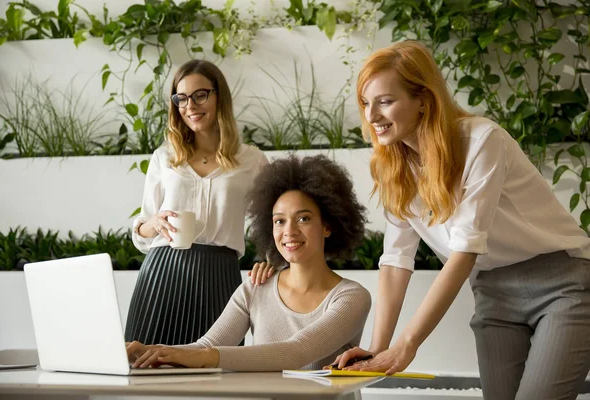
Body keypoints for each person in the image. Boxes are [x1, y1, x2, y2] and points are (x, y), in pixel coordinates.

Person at [332, 40, 590, 400]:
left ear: (423, 100)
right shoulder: (394, 167)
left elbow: (465, 250)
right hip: (492, 292)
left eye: (385, 101)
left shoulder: (483, 141)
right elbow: (395, 260)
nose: (371, 115)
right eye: (365, 103)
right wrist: (378, 346)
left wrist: (408, 344)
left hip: (562, 284)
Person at [126, 155, 371, 371]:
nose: (289, 231)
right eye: (279, 221)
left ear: (328, 226)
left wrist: (202, 355)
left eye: (303, 218)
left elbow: (297, 352)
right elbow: (206, 346)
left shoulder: (351, 297)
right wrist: (149, 351)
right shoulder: (256, 287)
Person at [126, 59, 270, 346]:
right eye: (181, 98)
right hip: (162, 274)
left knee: (219, 378)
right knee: (146, 375)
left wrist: (271, 261)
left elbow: (271, 221)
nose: (190, 106)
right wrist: (153, 223)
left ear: (220, 97)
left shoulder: (251, 160)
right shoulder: (164, 157)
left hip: (219, 277)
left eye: (200, 95)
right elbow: (141, 233)